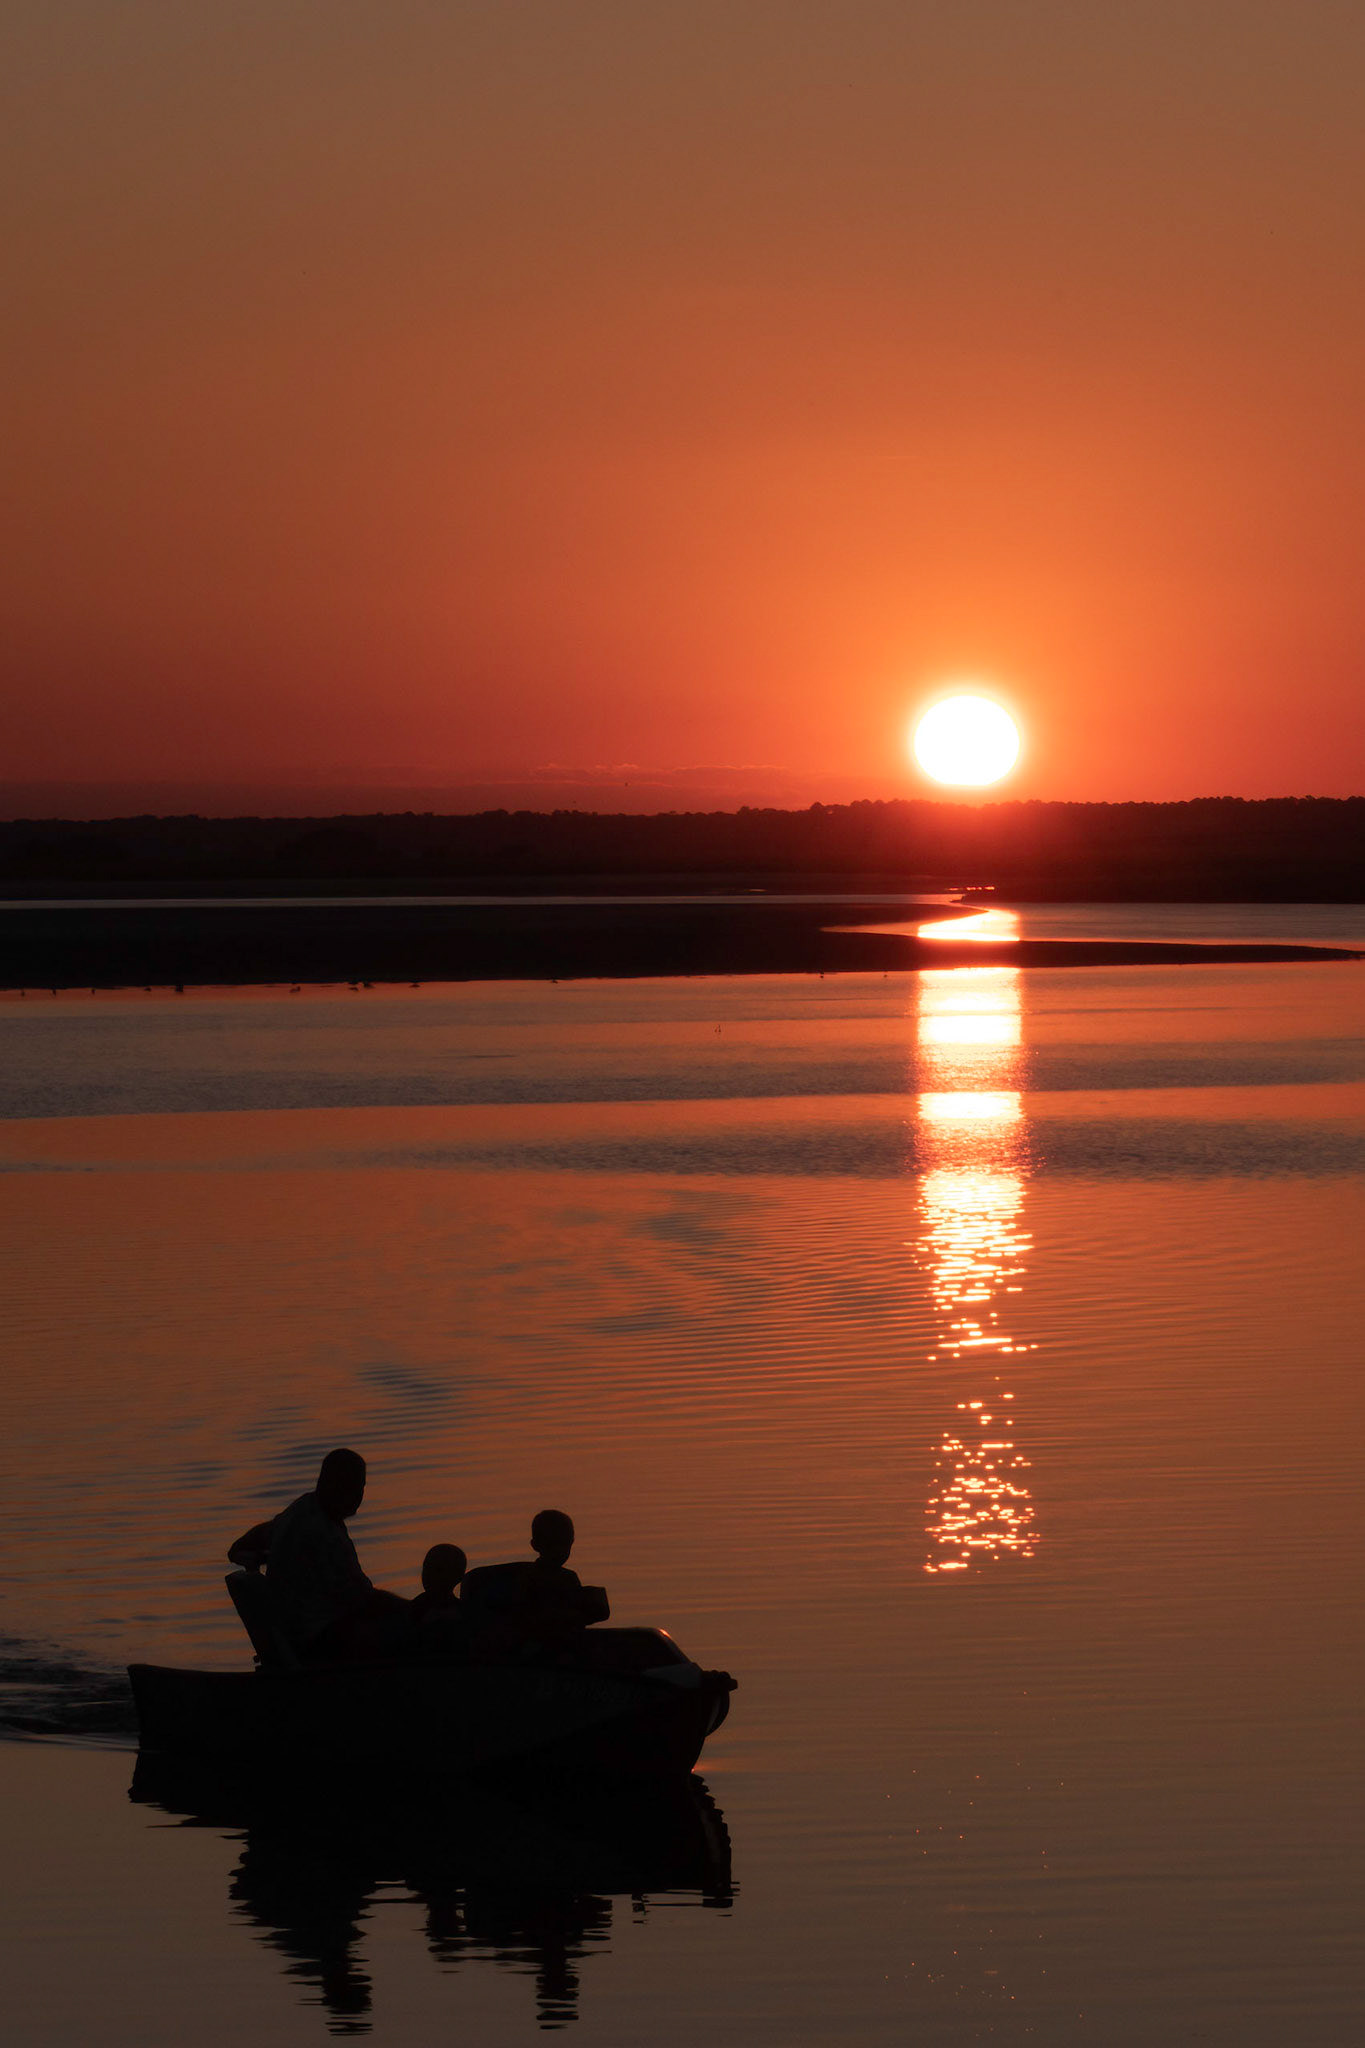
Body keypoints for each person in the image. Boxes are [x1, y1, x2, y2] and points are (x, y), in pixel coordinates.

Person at [227, 1448, 406, 1662]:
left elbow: (247, 1543)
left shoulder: (300, 1510)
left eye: (361, 1486)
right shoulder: (322, 1534)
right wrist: (413, 1608)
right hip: (317, 1641)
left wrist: (265, 1556)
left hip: (298, 1632)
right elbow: (362, 1600)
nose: (358, 1495)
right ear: (327, 1483)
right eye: (351, 1486)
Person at [463, 1511, 609, 1650]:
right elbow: (521, 1615)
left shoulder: (569, 1577)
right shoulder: (528, 1577)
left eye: (564, 1544)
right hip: (535, 1642)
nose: (559, 1551)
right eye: (552, 1544)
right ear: (535, 1545)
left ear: (572, 1543)